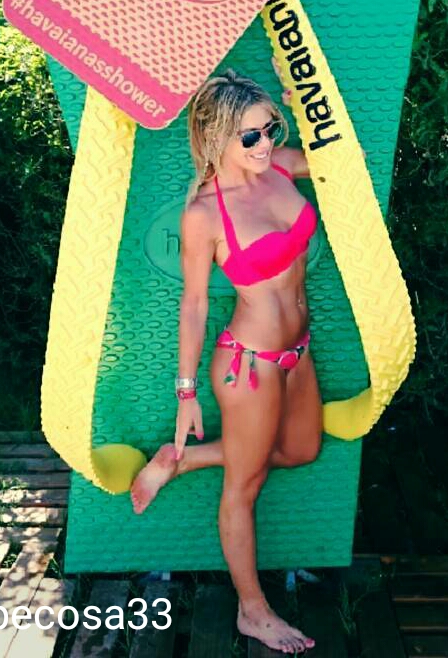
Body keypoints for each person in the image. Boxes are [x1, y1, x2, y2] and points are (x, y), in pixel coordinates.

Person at [130, 69, 321, 654]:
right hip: (249, 365)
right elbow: (193, 306)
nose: (264, 144)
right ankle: (251, 611)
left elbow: (342, 160)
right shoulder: (204, 215)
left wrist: (304, 105)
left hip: (298, 352)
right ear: (216, 137)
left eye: (270, 129)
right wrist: (186, 393)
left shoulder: (280, 167)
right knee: (246, 483)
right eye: (250, 136)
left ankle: (180, 462)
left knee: (301, 450)